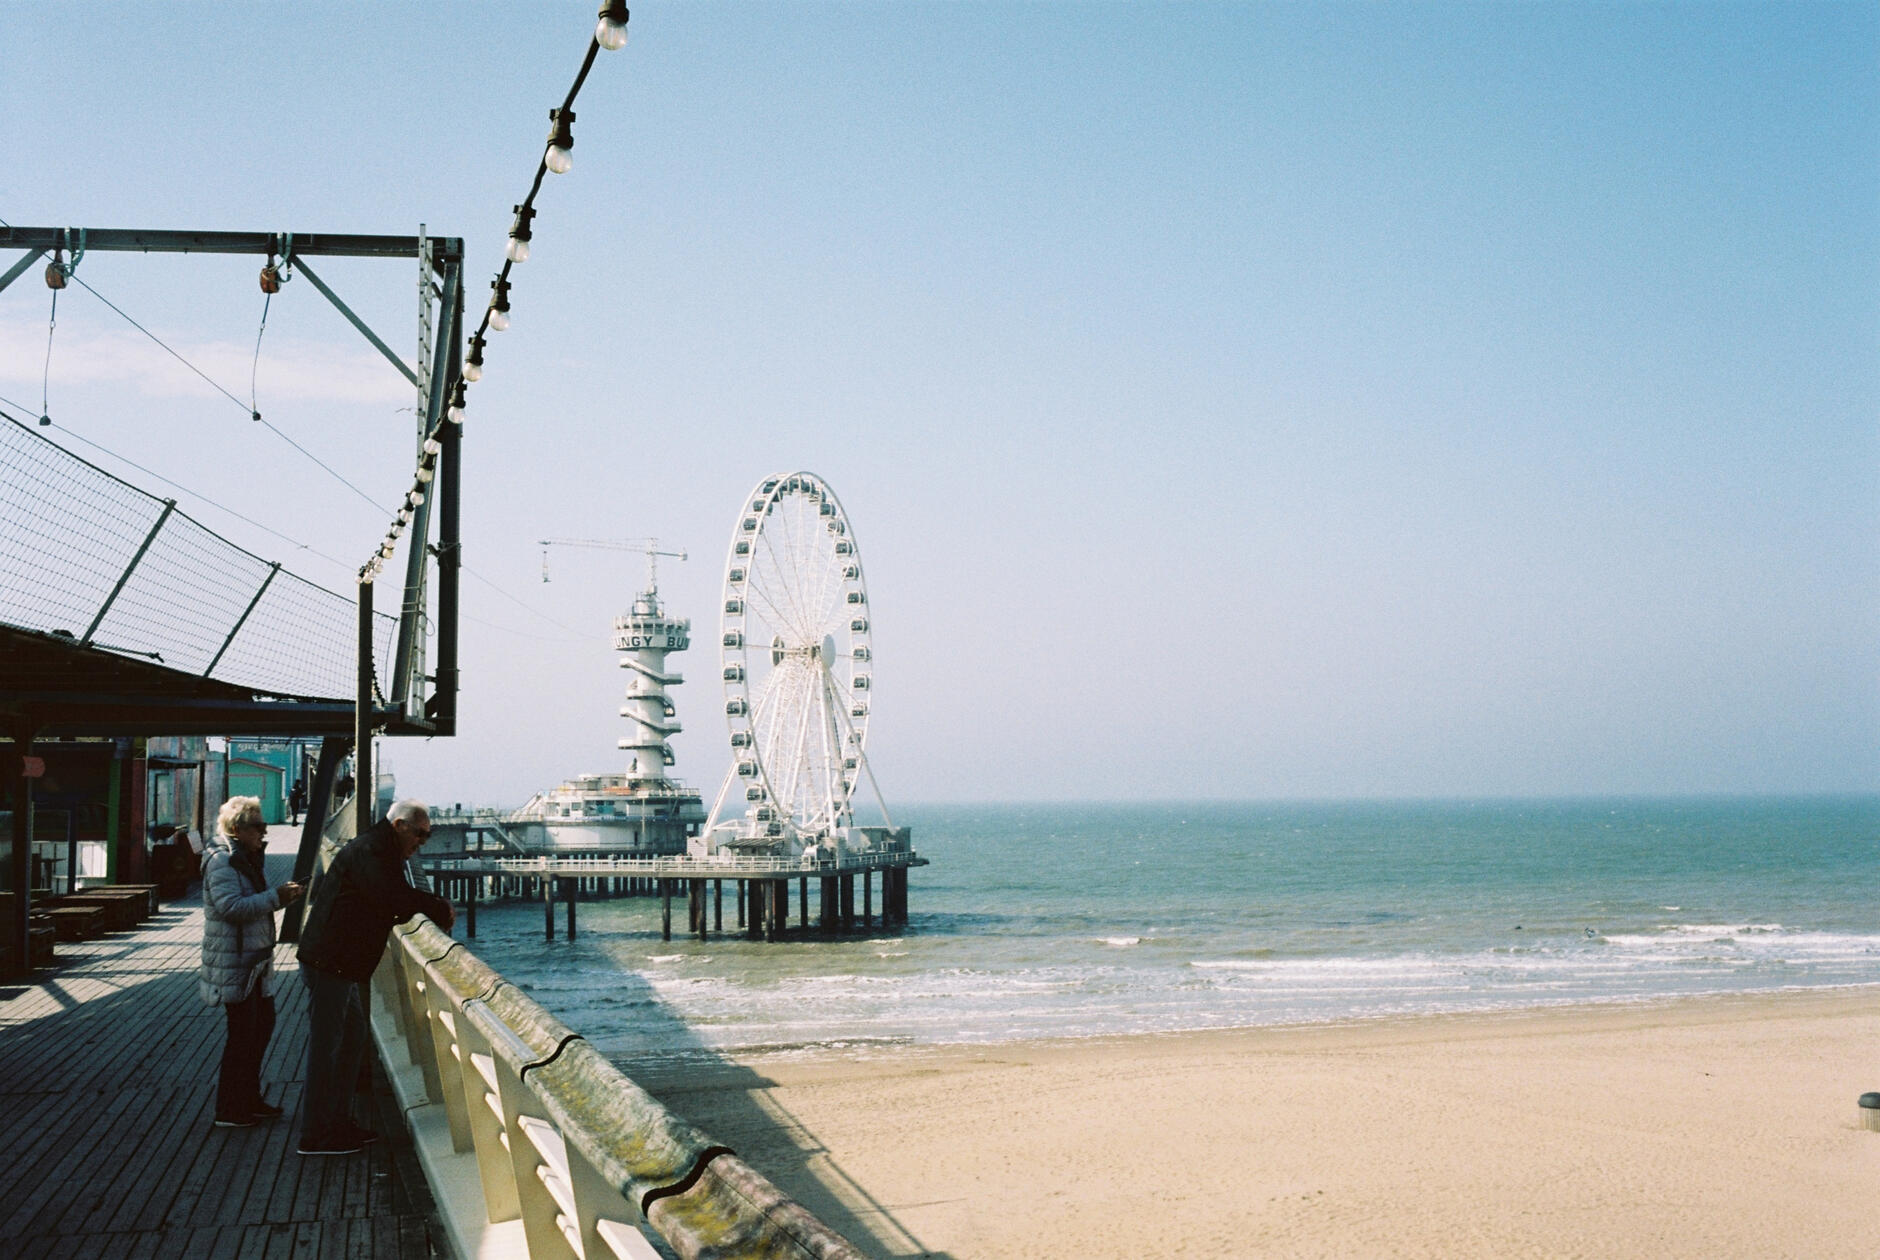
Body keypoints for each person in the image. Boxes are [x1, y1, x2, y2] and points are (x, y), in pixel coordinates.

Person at [293, 798, 453, 1156]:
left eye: (427, 836)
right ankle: (315, 1134)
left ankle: (336, 1122)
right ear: (399, 826)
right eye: (420, 834)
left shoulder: (378, 849)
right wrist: (439, 907)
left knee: (350, 1041)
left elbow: (390, 898)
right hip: (330, 962)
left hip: (341, 963)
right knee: (327, 1048)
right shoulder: (373, 852)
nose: (422, 843)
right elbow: (392, 899)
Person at [200, 796, 302, 1128]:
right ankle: (229, 1109)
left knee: (260, 1028)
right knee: (243, 1035)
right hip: (236, 961)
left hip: (253, 959)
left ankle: (248, 1099)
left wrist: (276, 894)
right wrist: (277, 898)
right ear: (236, 829)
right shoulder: (223, 862)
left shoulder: (244, 859)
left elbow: (244, 901)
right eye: (257, 826)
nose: (264, 831)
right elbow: (231, 907)